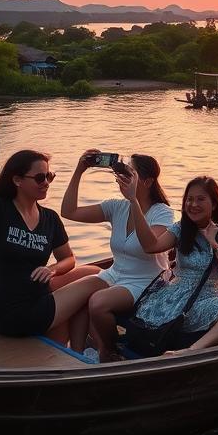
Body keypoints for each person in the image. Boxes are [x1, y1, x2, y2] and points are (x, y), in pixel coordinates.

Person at [0, 133, 97, 344]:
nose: (46, 183)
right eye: (40, 178)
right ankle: (82, 353)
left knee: (95, 272)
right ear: (17, 180)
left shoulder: (50, 218)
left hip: (36, 295)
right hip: (10, 312)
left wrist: (52, 269)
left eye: (49, 176)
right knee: (96, 283)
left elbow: (68, 259)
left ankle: (63, 350)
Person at [60, 150, 175, 361]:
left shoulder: (162, 212)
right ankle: (76, 355)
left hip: (146, 281)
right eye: (123, 172)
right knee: (78, 297)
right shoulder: (116, 207)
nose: (122, 177)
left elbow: (152, 245)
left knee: (98, 303)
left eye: (130, 173)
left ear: (148, 182)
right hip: (116, 274)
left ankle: (110, 351)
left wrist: (134, 201)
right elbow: (69, 212)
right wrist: (79, 170)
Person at [127, 175, 218, 352]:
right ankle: (198, 348)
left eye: (200, 199)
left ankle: (199, 348)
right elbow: (151, 246)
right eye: (189, 199)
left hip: (208, 297)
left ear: (213, 204)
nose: (193, 204)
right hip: (177, 299)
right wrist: (133, 201)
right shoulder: (182, 227)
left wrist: (214, 243)